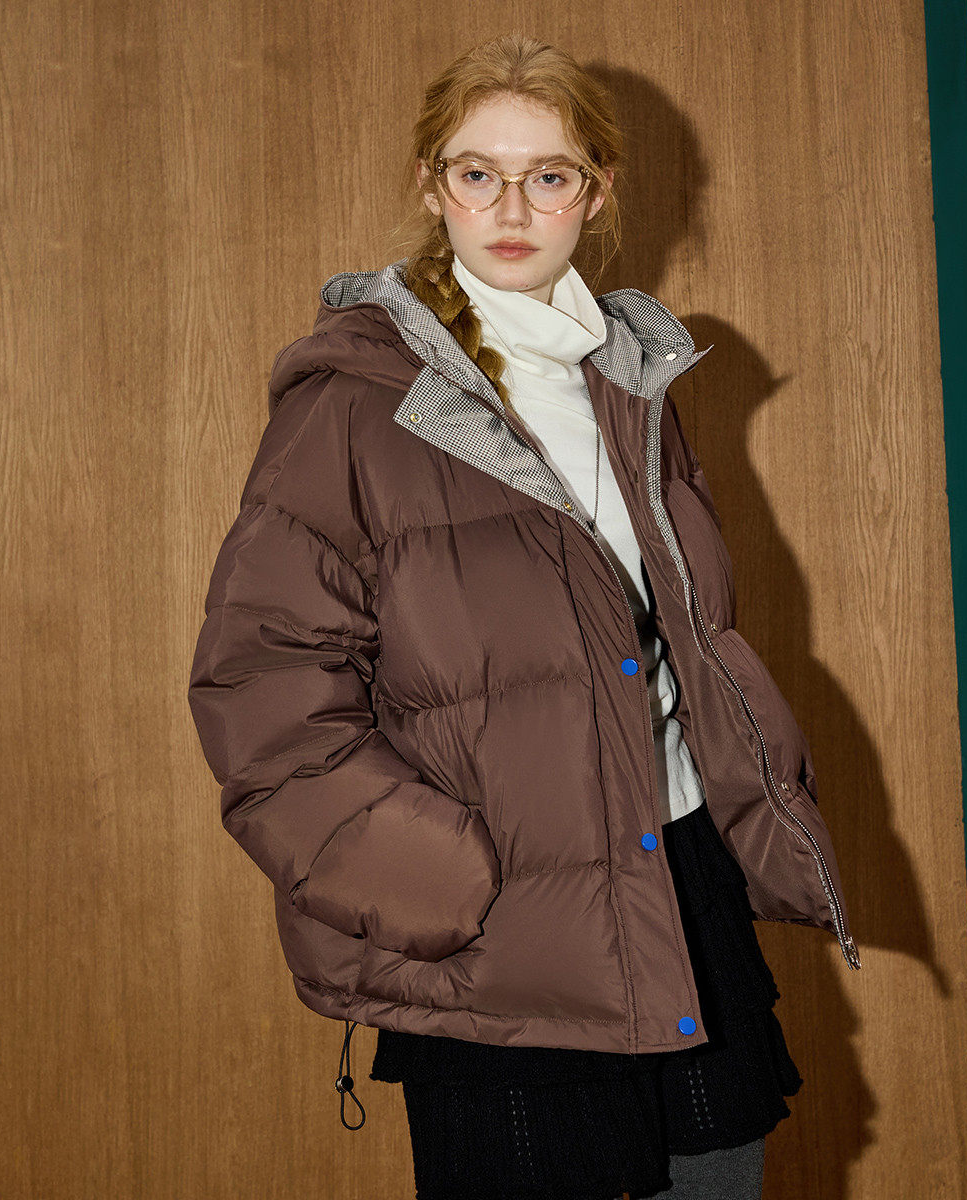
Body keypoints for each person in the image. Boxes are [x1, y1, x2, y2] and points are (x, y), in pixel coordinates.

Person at [188, 32, 859, 1200]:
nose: (511, 208)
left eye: (548, 175)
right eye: (477, 173)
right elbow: (262, 688)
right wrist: (440, 880)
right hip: (502, 928)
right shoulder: (356, 405)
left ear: (596, 192)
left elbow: (684, 644)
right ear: (431, 187)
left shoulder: (632, 384)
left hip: (677, 886)